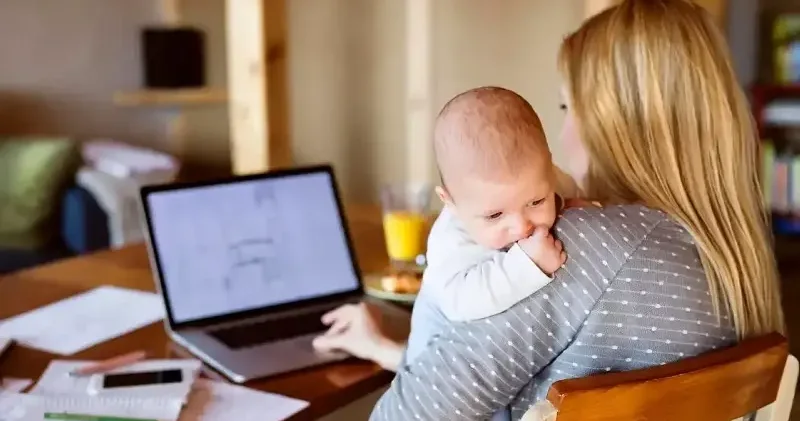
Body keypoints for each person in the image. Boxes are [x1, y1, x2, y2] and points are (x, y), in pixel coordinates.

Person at [315, 0, 786, 419]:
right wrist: (390, 349)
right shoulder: (735, 256)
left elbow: (407, 415)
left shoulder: (581, 249)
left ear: (616, 125)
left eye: (567, 107)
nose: (560, 139)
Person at [425, 86, 581, 323]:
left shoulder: (548, 178)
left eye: (536, 201)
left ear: (549, 169)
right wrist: (528, 265)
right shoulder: (450, 240)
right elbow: (459, 303)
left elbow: (572, 194)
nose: (521, 227)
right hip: (438, 339)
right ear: (451, 202)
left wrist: (578, 205)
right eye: (495, 215)